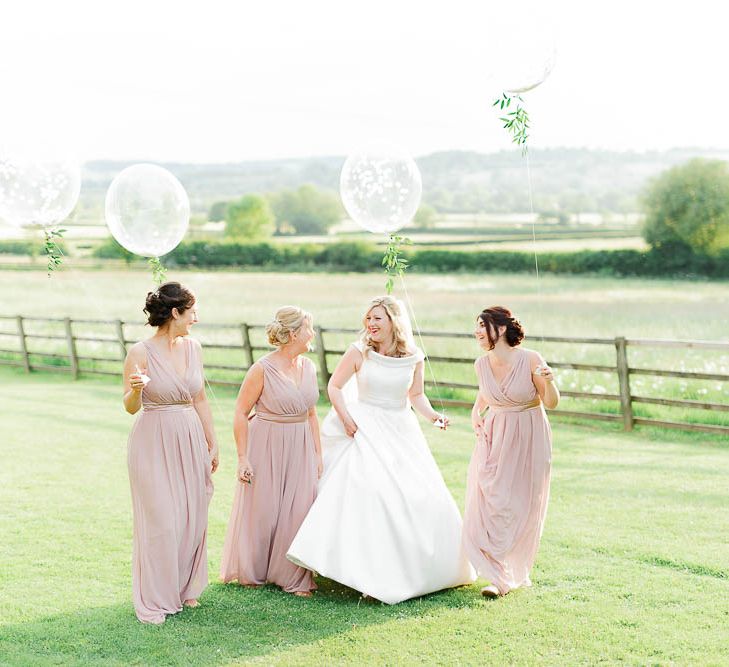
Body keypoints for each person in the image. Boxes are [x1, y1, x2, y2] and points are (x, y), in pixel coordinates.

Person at [287, 296, 475, 604]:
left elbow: (416, 395)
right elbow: (334, 387)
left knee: (420, 496)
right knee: (371, 492)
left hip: (401, 429)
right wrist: (346, 419)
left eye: (378, 318)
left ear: (394, 322)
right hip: (365, 426)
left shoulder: (414, 357)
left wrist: (433, 417)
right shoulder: (359, 352)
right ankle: (366, 575)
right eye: (369, 318)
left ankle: (422, 569)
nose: (371, 324)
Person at [123, 282, 218, 624]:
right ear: (175, 312)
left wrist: (213, 440)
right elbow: (130, 407)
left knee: (192, 515)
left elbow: (200, 398)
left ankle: (183, 587)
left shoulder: (193, 347)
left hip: (190, 435)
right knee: (162, 519)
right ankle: (157, 597)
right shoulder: (140, 352)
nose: (196, 317)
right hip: (153, 439)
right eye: (192, 311)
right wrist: (135, 391)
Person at [220, 306, 322, 596]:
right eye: (308, 328)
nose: (312, 334)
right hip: (265, 441)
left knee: (299, 508)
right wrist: (243, 457)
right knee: (263, 509)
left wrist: (317, 453)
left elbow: (312, 414)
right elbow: (240, 412)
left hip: (300, 441)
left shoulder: (309, 367)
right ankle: (253, 571)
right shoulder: (262, 369)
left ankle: (292, 576)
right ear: (293, 334)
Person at [462, 306, 559, 598]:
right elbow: (488, 391)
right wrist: (475, 411)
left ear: (501, 329)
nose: (478, 331)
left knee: (519, 505)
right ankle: (495, 574)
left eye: (483, 325)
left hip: (529, 434)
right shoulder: (481, 364)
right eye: (476, 326)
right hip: (495, 435)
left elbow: (551, 403)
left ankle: (505, 576)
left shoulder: (530, 359)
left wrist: (551, 381)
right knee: (491, 499)